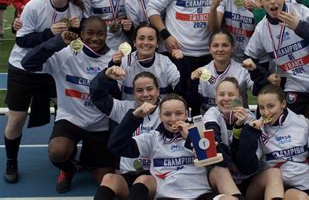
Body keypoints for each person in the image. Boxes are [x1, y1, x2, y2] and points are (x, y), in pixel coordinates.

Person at [3, 0, 83, 184]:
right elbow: (21, 40)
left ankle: (64, 156)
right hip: (24, 68)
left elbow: (73, 40)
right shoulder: (35, 6)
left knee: (66, 111)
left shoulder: (76, 9)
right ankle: (11, 160)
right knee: (16, 119)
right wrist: (50, 33)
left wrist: (77, 29)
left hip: (53, 69)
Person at [21, 16, 114, 193]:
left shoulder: (114, 58)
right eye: (90, 33)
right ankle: (68, 169)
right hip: (71, 120)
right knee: (58, 151)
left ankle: (88, 159)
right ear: (81, 34)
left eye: (100, 33)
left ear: (106, 35)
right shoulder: (66, 54)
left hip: (100, 126)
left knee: (104, 179)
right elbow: (28, 63)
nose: (95, 38)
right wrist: (57, 41)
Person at [147, 0, 229, 115]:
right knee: (177, 109)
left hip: (207, 57)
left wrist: (213, 8)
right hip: (178, 55)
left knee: (205, 109)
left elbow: (214, 28)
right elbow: (152, 8)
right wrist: (165, 35)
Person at [108, 94, 237, 199]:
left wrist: (191, 138)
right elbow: (116, 146)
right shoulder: (153, 138)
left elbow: (223, 162)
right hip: (167, 196)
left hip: (200, 195)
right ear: (160, 116)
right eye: (167, 114)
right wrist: (134, 116)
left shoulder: (200, 132)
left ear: (187, 114)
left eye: (179, 113)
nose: (173, 119)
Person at [90, 67, 161, 200]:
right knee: (109, 178)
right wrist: (106, 77)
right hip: (131, 172)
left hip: (157, 175)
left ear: (158, 90)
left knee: (143, 180)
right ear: (133, 93)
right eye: (139, 90)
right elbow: (97, 97)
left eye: (150, 89)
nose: (145, 94)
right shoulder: (124, 108)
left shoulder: (167, 111)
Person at [188, 30, 256, 112]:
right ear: (209, 48)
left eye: (225, 45)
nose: (220, 49)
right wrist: (193, 82)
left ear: (232, 48)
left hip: (238, 118)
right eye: (215, 45)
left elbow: (257, 91)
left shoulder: (243, 71)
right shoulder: (201, 72)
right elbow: (193, 102)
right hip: (208, 120)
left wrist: (255, 71)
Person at [110, 24, 182, 100]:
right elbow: (113, 92)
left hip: (158, 111)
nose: (146, 42)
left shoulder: (165, 62)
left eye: (151, 39)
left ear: (157, 44)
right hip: (130, 111)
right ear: (134, 42)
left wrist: (182, 62)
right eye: (141, 38)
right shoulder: (124, 61)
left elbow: (180, 89)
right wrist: (113, 65)